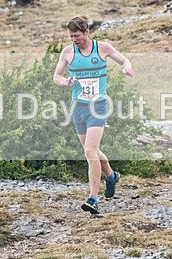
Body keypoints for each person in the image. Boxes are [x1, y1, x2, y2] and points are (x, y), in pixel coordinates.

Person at [53, 16, 135, 215]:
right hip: (78, 107)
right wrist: (65, 82)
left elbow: (123, 59)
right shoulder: (68, 52)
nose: (74, 40)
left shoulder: (102, 48)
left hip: (98, 106)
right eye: (71, 36)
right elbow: (56, 76)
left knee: (90, 151)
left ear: (86, 32)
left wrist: (126, 66)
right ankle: (111, 176)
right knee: (92, 151)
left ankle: (93, 198)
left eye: (77, 36)